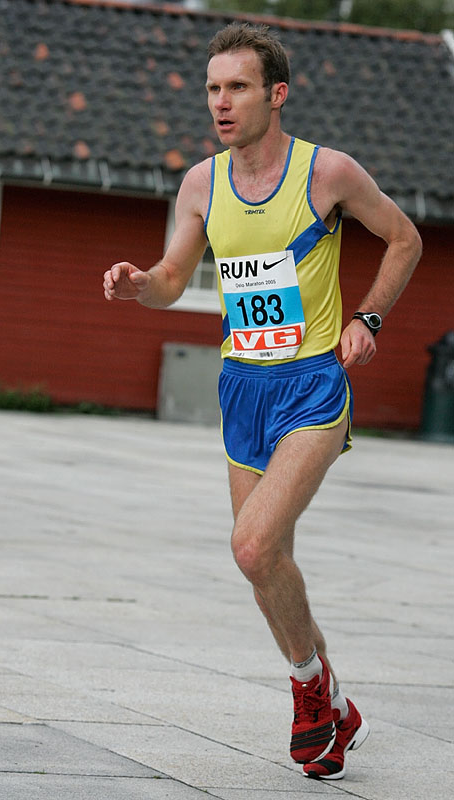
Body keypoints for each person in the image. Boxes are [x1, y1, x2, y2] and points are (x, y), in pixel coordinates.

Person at [103, 22, 422, 780]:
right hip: (242, 387)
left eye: (238, 87)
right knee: (266, 563)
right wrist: (141, 285)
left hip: (312, 384)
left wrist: (368, 318)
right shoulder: (200, 184)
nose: (221, 102)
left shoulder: (327, 173)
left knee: (250, 545)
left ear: (276, 94)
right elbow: (173, 278)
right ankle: (332, 704)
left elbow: (404, 238)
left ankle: (308, 691)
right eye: (213, 88)